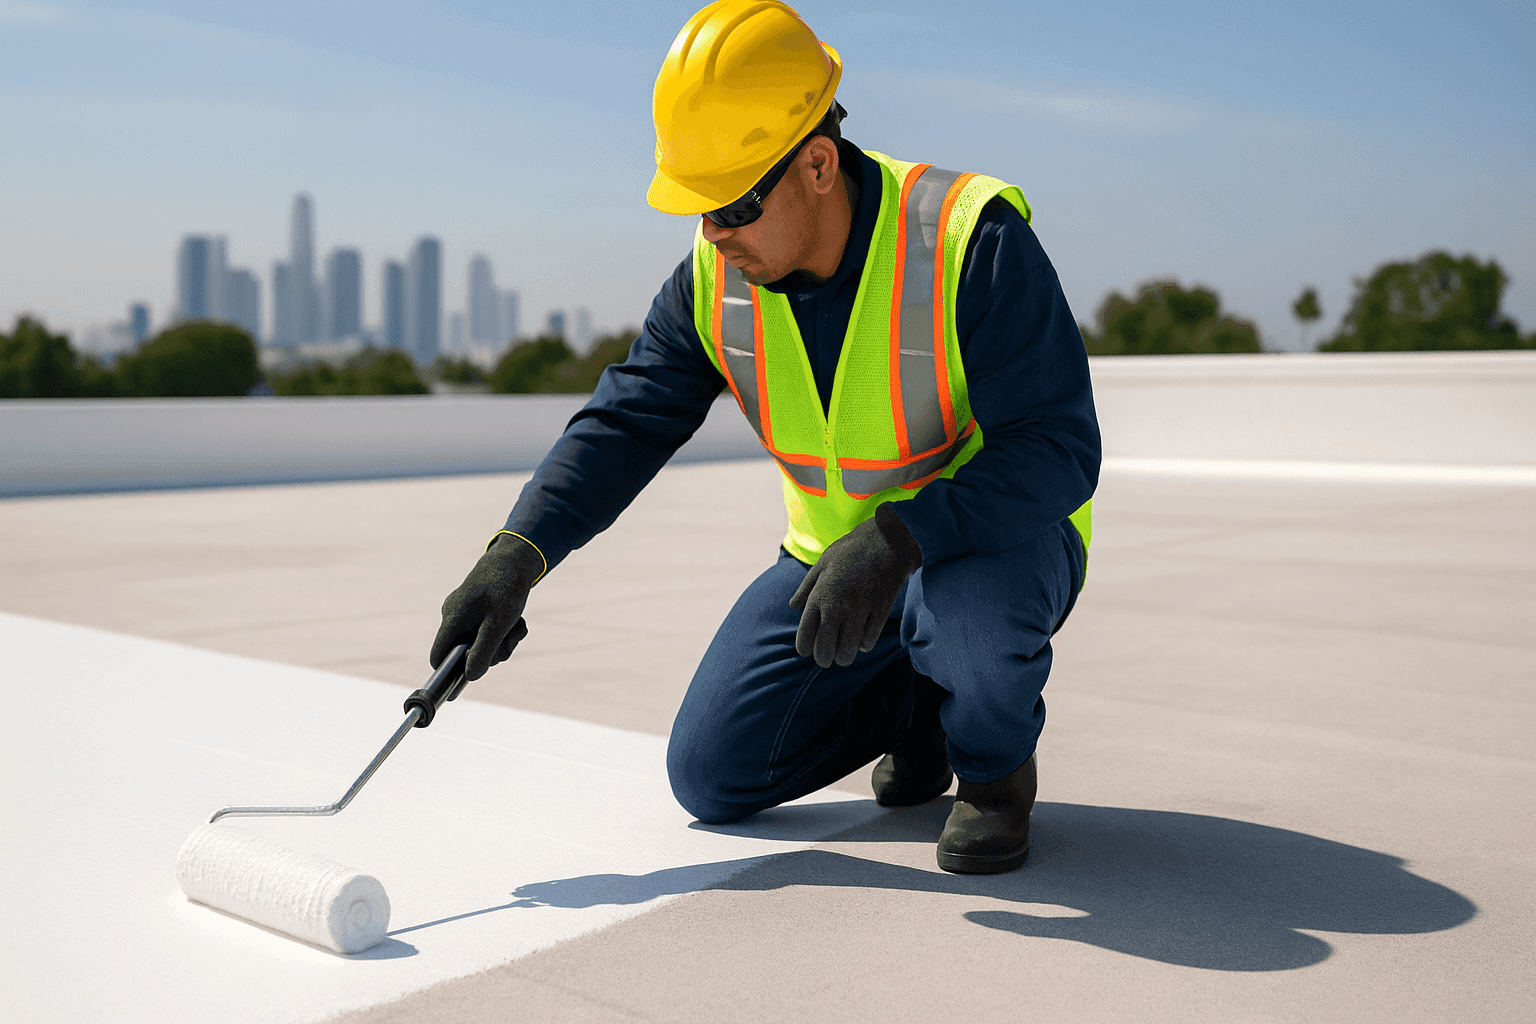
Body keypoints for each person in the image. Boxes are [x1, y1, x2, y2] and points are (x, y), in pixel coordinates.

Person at [431, 0, 1099, 875]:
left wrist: (903, 537)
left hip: (988, 549)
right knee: (710, 772)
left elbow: (1059, 447)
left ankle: (993, 772)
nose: (712, 232)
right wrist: (516, 554)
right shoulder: (715, 277)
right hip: (832, 559)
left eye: (731, 205)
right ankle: (918, 711)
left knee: (969, 624)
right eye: (698, 208)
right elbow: (627, 419)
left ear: (817, 164)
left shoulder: (971, 241)